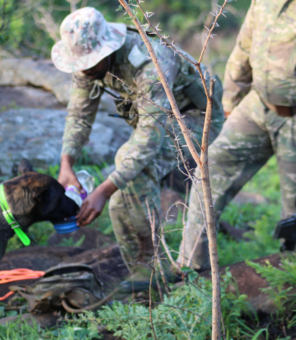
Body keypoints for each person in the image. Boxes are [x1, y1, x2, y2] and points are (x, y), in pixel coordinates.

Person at [51, 7, 224, 290]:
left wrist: (103, 191)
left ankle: (152, 268)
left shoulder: (150, 62)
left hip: (195, 118)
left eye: (89, 63)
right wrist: (66, 163)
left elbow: (148, 138)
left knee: (129, 173)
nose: (83, 69)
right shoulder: (88, 66)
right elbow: (79, 115)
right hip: (156, 117)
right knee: (122, 195)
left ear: (107, 50)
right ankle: (142, 272)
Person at [177, 0, 296, 270]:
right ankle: (190, 268)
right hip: (256, 106)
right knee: (209, 171)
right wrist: (232, 101)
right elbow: (244, 46)